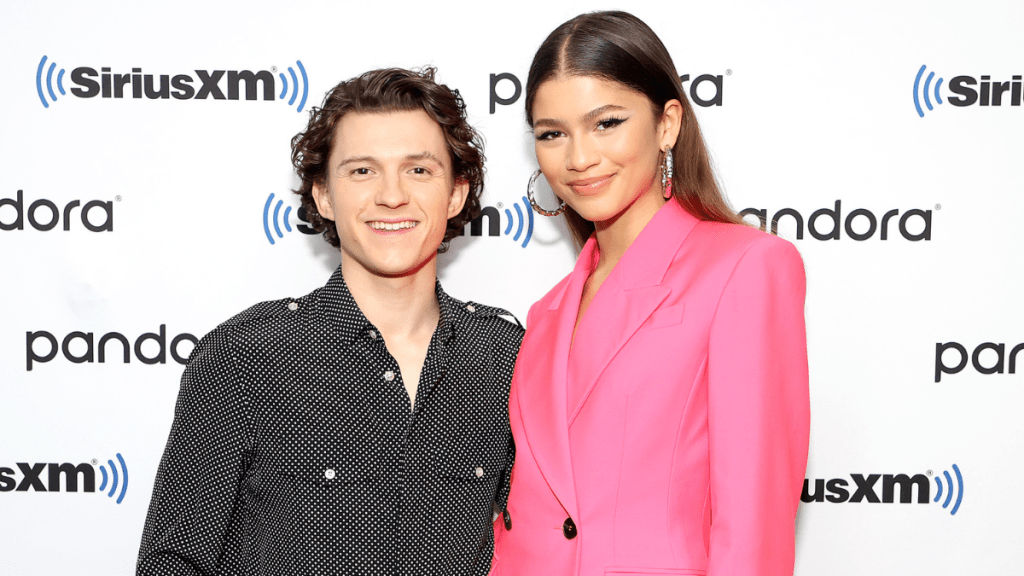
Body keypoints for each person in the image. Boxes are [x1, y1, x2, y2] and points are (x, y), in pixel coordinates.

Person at [136, 67, 522, 576]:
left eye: (419, 170)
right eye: (362, 171)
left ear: (455, 194)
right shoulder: (247, 354)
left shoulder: (506, 356)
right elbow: (174, 561)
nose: (391, 195)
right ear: (322, 195)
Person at [492, 11, 810, 576]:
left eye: (606, 123)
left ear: (667, 124)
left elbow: (753, 532)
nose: (579, 157)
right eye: (552, 134)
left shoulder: (745, 268)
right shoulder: (546, 314)